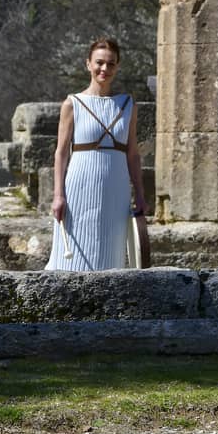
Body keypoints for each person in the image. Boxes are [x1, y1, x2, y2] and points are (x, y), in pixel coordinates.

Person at [46, 37, 146, 271]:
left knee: (110, 252)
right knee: (71, 257)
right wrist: (58, 195)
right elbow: (61, 153)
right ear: (88, 64)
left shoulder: (127, 104)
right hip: (80, 185)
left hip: (116, 187)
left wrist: (140, 193)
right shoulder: (73, 104)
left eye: (111, 64)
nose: (104, 69)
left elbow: (132, 154)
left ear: (117, 67)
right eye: (99, 62)